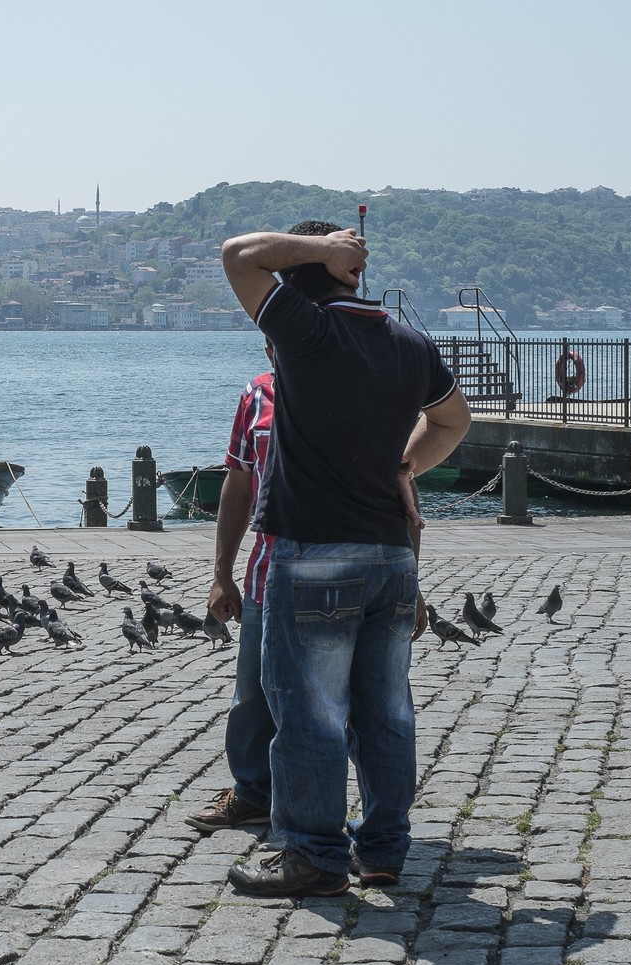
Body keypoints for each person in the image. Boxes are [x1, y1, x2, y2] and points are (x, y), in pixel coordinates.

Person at [219, 220, 471, 897]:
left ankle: (314, 856)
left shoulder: (306, 333)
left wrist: (322, 251)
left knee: (309, 714)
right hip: (390, 555)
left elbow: (237, 255)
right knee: (387, 710)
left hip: (313, 552)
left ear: (298, 279)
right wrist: (401, 466)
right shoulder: (408, 343)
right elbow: (454, 420)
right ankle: (383, 849)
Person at [185, 340, 277, 833]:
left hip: (338, 566)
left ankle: (356, 816)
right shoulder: (256, 395)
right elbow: (238, 482)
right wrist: (222, 573)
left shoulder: (352, 386)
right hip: (266, 570)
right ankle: (251, 792)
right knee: (251, 692)